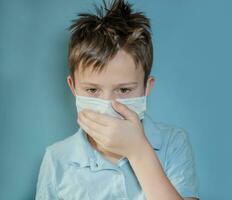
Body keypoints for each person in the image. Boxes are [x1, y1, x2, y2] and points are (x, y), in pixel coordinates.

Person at [35, 0, 200, 199]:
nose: (108, 105)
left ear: (147, 87)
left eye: (123, 89)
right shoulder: (57, 159)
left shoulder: (173, 143)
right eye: (92, 90)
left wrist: (138, 150)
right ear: (73, 87)